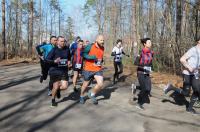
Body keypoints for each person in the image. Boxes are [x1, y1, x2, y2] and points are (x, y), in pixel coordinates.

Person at [164, 37, 200, 114]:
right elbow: (182, 59)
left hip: (195, 74)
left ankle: (189, 108)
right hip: (187, 73)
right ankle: (171, 87)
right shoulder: (193, 50)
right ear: (198, 41)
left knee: (197, 90)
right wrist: (189, 67)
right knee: (186, 93)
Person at [46, 36, 71, 107]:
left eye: (64, 41)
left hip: (64, 70)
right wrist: (54, 61)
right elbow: (47, 60)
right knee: (56, 87)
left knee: (65, 86)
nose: (63, 43)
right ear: (57, 42)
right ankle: (53, 100)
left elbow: (69, 57)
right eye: (61, 41)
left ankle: (57, 91)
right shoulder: (54, 50)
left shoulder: (67, 49)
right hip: (55, 70)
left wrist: (69, 62)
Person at [79, 35, 105, 105]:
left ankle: (92, 94)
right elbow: (83, 54)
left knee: (100, 84)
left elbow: (100, 56)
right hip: (88, 68)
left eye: (103, 40)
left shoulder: (102, 48)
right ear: (96, 40)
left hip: (98, 68)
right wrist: (92, 57)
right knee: (85, 85)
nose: (103, 41)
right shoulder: (90, 46)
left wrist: (102, 60)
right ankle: (81, 96)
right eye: (101, 40)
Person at [135, 38, 154, 110]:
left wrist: (151, 69)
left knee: (148, 89)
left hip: (147, 72)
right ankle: (139, 103)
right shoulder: (141, 52)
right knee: (143, 88)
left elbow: (151, 62)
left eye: (150, 42)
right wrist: (143, 66)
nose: (150, 44)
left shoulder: (151, 53)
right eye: (149, 42)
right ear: (144, 44)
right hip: (140, 72)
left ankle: (136, 87)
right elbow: (136, 62)